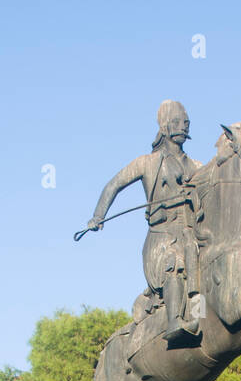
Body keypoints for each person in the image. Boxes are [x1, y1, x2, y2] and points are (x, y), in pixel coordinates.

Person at [86, 100, 203, 342]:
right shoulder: (146, 163)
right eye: (177, 122)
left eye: (186, 123)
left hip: (191, 236)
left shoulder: (198, 167)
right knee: (175, 262)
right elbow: (113, 185)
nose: (183, 126)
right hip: (161, 240)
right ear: (164, 127)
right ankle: (174, 322)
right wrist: (98, 216)